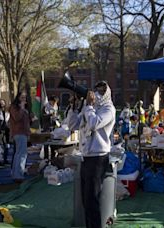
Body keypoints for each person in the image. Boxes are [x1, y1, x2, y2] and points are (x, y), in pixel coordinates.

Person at [68, 81, 116, 228]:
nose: (97, 94)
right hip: (86, 157)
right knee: (85, 199)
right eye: (96, 90)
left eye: (101, 91)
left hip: (98, 157)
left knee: (92, 199)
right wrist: (74, 107)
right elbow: (73, 125)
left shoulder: (109, 109)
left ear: (106, 93)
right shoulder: (89, 108)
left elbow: (95, 123)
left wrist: (88, 106)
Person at [9, 92, 31, 183]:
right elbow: (17, 118)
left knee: (19, 154)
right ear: (18, 98)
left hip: (23, 133)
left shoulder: (24, 109)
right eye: (22, 97)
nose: (24, 99)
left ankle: (16, 174)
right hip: (18, 133)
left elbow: (27, 122)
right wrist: (22, 108)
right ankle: (18, 175)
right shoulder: (14, 108)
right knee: (21, 154)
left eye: (25, 97)